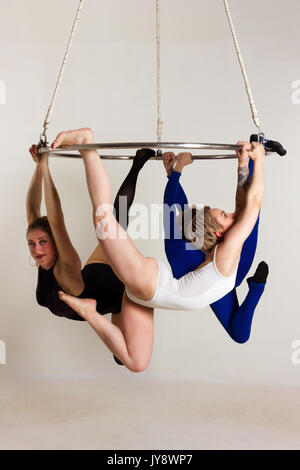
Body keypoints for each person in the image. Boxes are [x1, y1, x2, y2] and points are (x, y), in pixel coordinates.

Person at [54, 128, 266, 368]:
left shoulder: (228, 252)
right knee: (104, 221)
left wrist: (253, 162)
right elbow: (248, 204)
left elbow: (250, 203)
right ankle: (87, 144)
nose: (232, 214)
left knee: (136, 362)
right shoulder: (226, 254)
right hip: (152, 284)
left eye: (225, 214)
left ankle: (90, 312)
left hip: (147, 297)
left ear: (220, 233)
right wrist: (246, 162)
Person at [26, 142, 155, 372]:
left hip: (116, 290)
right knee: (116, 223)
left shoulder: (64, 267)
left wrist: (46, 167)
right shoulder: (43, 261)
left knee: (125, 356)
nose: (37, 250)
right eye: (32, 244)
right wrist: (38, 167)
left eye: (43, 242)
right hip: (97, 273)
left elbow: (56, 219)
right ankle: (138, 162)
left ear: (56, 241)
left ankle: (138, 163)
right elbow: (33, 208)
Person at [162, 147, 268, 344]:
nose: (230, 214)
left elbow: (177, 207)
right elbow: (172, 207)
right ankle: (257, 286)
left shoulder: (209, 235)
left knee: (247, 216)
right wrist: (176, 171)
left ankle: (252, 152)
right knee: (240, 335)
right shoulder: (179, 245)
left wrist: (173, 174)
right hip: (216, 281)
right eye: (224, 215)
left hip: (227, 269)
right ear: (218, 234)